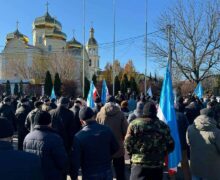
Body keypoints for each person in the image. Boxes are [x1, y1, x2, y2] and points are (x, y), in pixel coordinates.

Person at [125, 102, 174, 180]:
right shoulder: (163, 126)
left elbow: (127, 144)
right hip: (157, 165)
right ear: (156, 112)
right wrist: (162, 154)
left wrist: (132, 154)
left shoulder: (134, 124)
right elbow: (171, 145)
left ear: (143, 112)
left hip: (138, 165)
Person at [71, 107, 119, 180]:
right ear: (94, 116)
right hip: (106, 169)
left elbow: (76, 160)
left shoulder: (78, 137)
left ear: (81, 121)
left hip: (89, 172)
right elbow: (116, 147)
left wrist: (74, 177)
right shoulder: (107, 129)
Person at [23, 111, 68, 180]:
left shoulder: (27, 137)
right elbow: (62, 162)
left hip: (34, 175)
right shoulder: (55, 138)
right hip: (51, 176)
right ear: (50, 122)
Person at [96, 95, 128, 180]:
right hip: (118, 146)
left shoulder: (99, 114)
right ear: (115, 102)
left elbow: (95, 129)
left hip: (104, 146)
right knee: (120, 171)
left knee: (105, 171)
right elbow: (126, 130)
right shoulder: (120, 114)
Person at [187, 108, 220, 180]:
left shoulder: (190, 128)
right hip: (212, 169)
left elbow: (188, 142)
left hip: (195, 165)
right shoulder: (217, 132)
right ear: (212, 117)